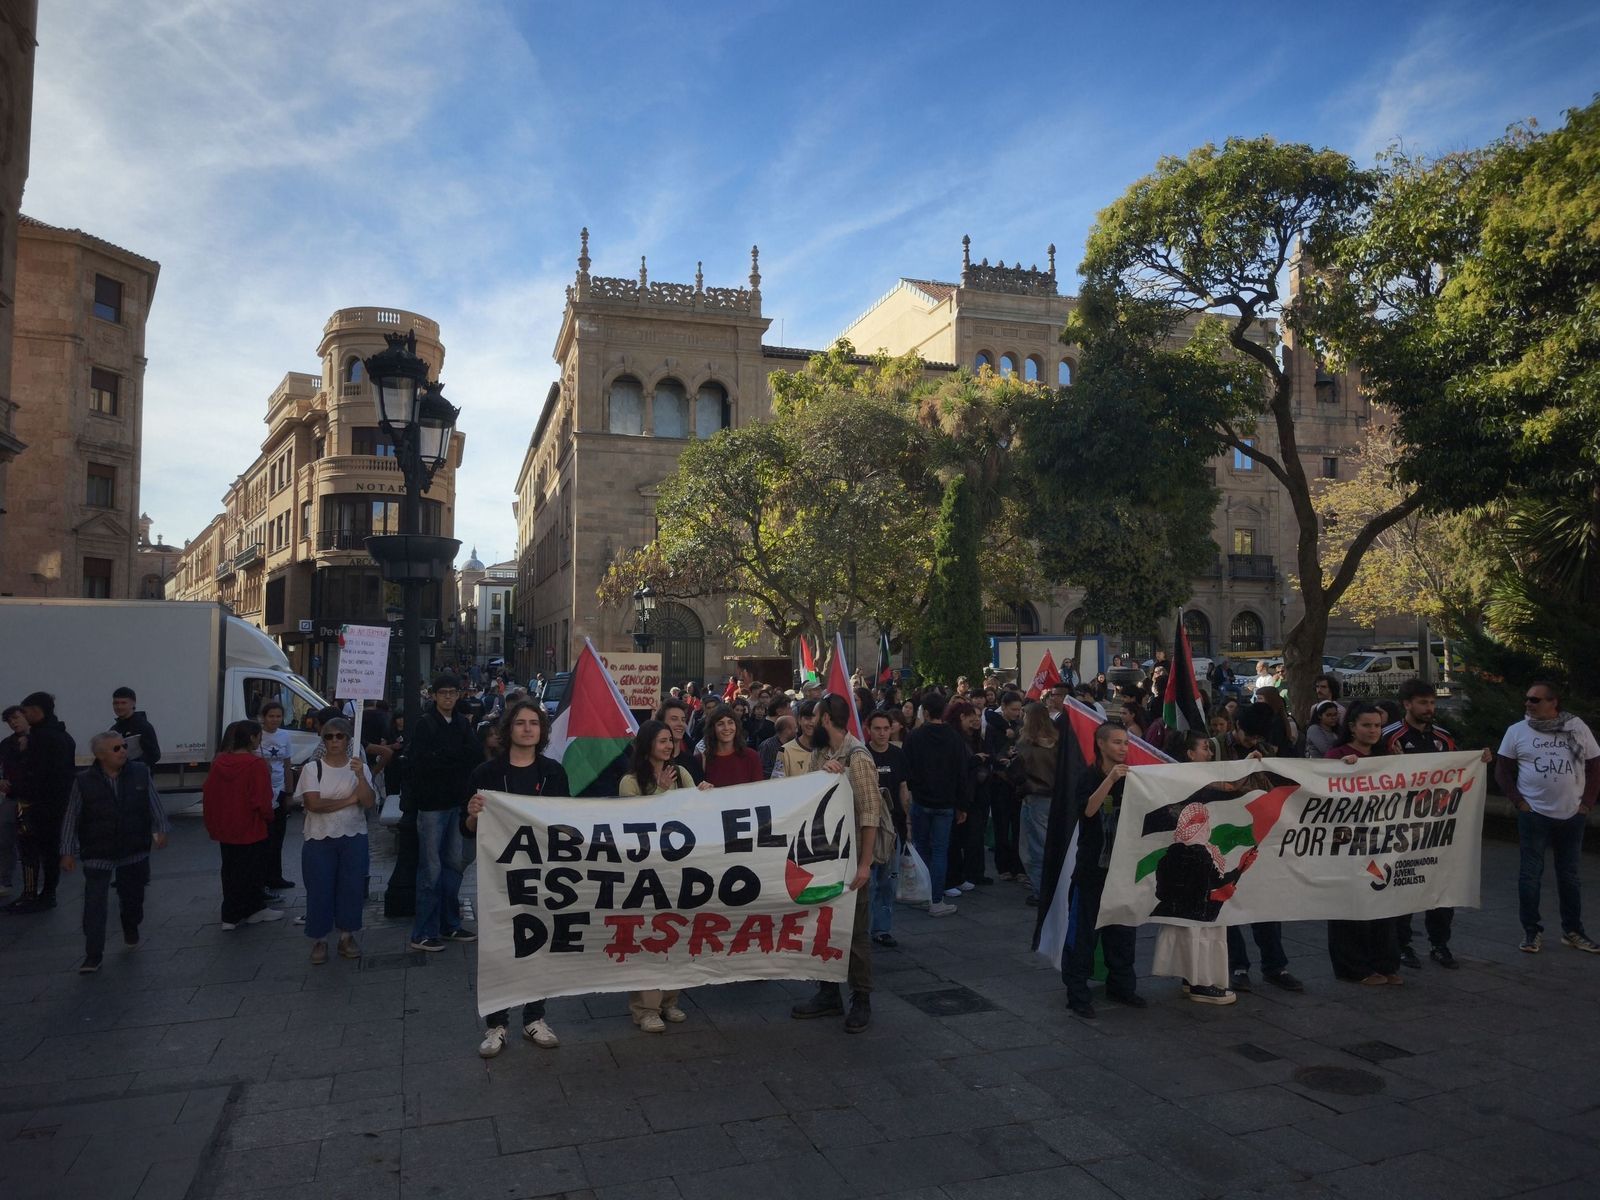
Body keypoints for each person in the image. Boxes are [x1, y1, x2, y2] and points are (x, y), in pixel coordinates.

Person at [464, 700, 568, 1057]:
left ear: (542, 732)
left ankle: (535, 1017)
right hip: (499, 877)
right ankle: (496, 1023)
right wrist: (473, 816)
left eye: (534, 724)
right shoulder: (485, 775)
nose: (527, 729)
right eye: (521, 723)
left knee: (538, 943)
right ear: (508, 730)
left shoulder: (553, 772)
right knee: (498, 945)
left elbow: (564, 824)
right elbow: (469, 832)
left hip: (541, 875)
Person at [790, 694, 885, 1032]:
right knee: (823, 926)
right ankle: (828, 992)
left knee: (855, 932)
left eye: (816, 716)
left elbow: (870, 814)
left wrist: (865, 865)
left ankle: (861, 999)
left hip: (851, 860)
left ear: (828, 719)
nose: (811, 723)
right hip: (824, 858)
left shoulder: (858, 757)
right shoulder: (820, 753)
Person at [620, 720, 713, 1031]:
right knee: (648, 937)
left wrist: (702, 794)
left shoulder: (682, 774)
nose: (669, 746)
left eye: (670, 741)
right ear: (647, 745)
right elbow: (634, 821)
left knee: (675, 933)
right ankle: (645, 1008)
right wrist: (659, 791)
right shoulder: (630, 782)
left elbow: (693, 810)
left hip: (678, 867)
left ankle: (669, 1000)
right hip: (646, 873)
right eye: (662, 741)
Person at [1497, 678, 1600, 954]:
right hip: (1534, 814)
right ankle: (1531, 932)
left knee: (1570, 875)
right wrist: (1519, 802)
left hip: (1571, 814)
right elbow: (1502, 770)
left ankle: (1573, 931)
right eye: (1527, 699)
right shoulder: (1517, 731)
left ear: (1553, 703)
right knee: (1530, 874)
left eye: (1535, 699)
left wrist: (1587, 804)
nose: (1528, 703)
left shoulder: (1576, 728)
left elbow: (1594, 767)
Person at [59, 731, 170, 972]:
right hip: (97, 849)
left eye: (123, 747)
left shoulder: (139, 772)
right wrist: (67, 851)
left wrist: (161, 828)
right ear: (100, 755)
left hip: (133, 847)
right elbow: (72, 816)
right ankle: (93, 953)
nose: (123, 751)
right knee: (94, 904)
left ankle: (131, 925)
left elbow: (154, 802)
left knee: (133, 898)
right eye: (116, 749)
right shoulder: (84, 780)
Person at [1381, 680, 1473, 969]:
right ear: (1407, 704)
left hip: (1437, 826)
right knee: (1403, 883)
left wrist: (1479, 761)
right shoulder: (1389, 737)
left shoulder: (1444, 738)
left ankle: (1440, 943)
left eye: (1432, 703)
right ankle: (1403, 944)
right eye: (1423, 703)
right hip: (1402, 826)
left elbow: (1459, 769)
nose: (1429, 708)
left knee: (1442, 885)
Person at [1215, 705, 1305, 994]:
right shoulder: (1215, 747)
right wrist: (1244, 767)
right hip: (1223, 837)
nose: (1252, 742)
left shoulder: (1268, 750)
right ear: (1235, 725)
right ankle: (1238, 966)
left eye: (1257, 738)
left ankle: (1275, 965)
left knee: (1266, 902)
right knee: (1229, 903)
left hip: (1259, 836)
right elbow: (1206, 787)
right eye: (1248, 736)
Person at [1149, 732, 1238, 1005]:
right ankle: (1200, 982)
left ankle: (1192, 979)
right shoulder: (1196, 850)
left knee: (1194, 934)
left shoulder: (1185, 848)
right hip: (1198, 905)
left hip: (1186, 903)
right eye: (1205, 748)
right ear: (1189, 754)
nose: (1210, 753)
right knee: (1200, 935)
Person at [1064, 724, 1142, 1018]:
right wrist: (1110, 779)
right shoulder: (1089, 776)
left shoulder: (1132, 777)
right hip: (1092, 872)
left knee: (1122, 934)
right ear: (1100, 744)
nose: (1123, 748)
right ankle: (1077, 994)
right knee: (1083, 936)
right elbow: (1088, 810)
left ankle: (1122, 987)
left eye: (1126, 743)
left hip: (1122, 872)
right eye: (1117, 742)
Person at [1324, 702, 1404, 985]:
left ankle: (1386, 963)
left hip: (1382, 842)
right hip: (1348, 844)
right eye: (1367, 725)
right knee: (1350, 905)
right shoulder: (1337, 755)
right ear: (1352, 727)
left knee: (1383, 903)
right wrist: (1339, 771)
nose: (1373, 731)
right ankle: (1353, 968)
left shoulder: (1386, 755)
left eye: (1377, 726)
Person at [406, 674, 482, 953]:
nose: (448, 697)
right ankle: (424, 931)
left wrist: (445, 757)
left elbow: (472, 754)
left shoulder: (461, 723)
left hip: (455, 804)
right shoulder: (425, 725)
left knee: (453, 865)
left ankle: (449, 923)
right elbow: (422, 762)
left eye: (453, 692)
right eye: (444, 693)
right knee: (431, 869)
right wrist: (452, 757)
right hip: (431, 807)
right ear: (434, 696)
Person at [294, 718, 375, 965]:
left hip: (353, 836)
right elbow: (313, 804)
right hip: (319, 838)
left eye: (340, 736)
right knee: (319, 888)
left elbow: (369, 802)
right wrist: (350, 801)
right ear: (323, 740)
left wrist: (360, 777)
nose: (335, 741)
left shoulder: (358, 767)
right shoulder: (312, 769)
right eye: (329, 737)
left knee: (351, 888)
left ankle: (347, 936)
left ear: (348, 740)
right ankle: (319, 939)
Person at [203, 720, 282, 929]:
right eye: (258, 737)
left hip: (226, 825)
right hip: (251, 825)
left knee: (230, 869)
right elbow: (261, 799)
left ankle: (230, 913)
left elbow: (210, 794)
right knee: (252, 870)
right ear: (252, 738)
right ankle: (252, 908)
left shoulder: (219, 762)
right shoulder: (255, 765)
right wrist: (269, 817)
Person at [5, 691, 77, 913]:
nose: (23, 717)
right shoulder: (63, 735)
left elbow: (37, 775)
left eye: (25, 712)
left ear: (37, 711)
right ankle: (46, 893)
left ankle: (40, 894)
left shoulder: (41, 738)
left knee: (36, 849)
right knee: (48, 850)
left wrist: (14, 788)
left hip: (40, 803)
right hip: (57, 801)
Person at [902, 692, 965, 917]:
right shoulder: (954, 737)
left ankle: (923, 894)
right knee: (940, 851)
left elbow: (906, 769)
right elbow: (961, 773)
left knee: (922, 848)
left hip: (921, 800)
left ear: (925, 712)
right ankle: (936, 899)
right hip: (945, 803)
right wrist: (962, 804)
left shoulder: (915, 737)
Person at [863, 709, 910, 947]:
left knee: (888, 881)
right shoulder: (862, 755)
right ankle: (863, 928)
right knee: (868, 882)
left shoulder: (897, 755)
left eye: (885, 728)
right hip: (869, 828)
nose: (882, 733)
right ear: (868, 730)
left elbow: (903, 786)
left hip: (893, 826)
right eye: (877, 729)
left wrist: (908, 821)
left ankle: (882, 928)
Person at [1008, 701, 1058, 902]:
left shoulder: (1026, 744)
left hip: (1034, 796)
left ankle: (1041, 891)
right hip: (1053, 797)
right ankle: (1050, 888)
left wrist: (1011, 763)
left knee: (1033, 848)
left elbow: (1017, 775)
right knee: (1048, 844)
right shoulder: (1058, 742)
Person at [944, 699, 988, 894]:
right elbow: (957, 767)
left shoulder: (974, 737)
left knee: (972, 835)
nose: (976, 720)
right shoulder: (955, 738)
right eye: (972, 716)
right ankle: (952, 878)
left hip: (974, 793)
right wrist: (975, 760)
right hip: (960, 794)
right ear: (962, 717)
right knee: (954, 839)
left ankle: (965, 874)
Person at [256, 700, 297, 893]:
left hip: (279, 789)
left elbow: (287, 765)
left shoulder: (284, 735)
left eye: (278, 716)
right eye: (271, 716)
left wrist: (289, 792)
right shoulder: (256, 735)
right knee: (265, 836)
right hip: (262, 791)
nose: (274, 720)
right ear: (263, 717)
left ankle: (275, 876)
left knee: (278, 836)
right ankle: (261, 877)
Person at [987, 691, 1027, 883]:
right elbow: (989, 751)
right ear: (1003, 708)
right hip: (1000, 781)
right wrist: (999, 758)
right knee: (1002, 826)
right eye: (1013, 710)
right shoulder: (994, 726)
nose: (1017, 713)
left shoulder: (1022, 727)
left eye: (1019, 710)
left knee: (1018, 826)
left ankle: (1018, 866)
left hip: (1017, 783)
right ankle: (1003, 865)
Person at [700, 706, 764, 787]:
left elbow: (758, 792)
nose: (726, 728)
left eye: (730, 722)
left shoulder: (752, 757)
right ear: (713, 729)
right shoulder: (702, 760)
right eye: (720, 724)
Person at [0, 705, 26, 899]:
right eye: (10, 721)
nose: (13, 723)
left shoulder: (40, 740)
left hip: (33, 797)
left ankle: (35, 884)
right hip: (11, 796)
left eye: (16, 718)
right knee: (4, 837)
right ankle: (4, 879)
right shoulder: (6, 744)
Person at [653, 698, 704, 785]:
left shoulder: (693, 762)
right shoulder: (650, 763)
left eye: (683, 720)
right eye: (674, 719)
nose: (681, 724)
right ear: (661, 723)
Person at [110, 687, 162, 767]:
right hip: (119, 777)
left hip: (140, 777)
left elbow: (154, 755)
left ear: (133, 704)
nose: (119, 707)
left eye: (123, 703)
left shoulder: (143, 726)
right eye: (116, 703)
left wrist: (133, 766)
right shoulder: (113, 730)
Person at [772, 700, 819, 780]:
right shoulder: (785, 751)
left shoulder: (827, 749)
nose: (812, 723)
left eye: (816, 719)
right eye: (807, 718)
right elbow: (776, 782)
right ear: (799, 720)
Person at [758, 715, 796, 779]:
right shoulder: (767, 746)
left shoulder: (795, 745)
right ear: (786, 730)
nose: (796, 731)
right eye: (795, 728)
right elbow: (762, 770)